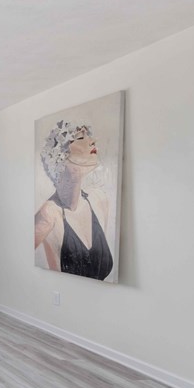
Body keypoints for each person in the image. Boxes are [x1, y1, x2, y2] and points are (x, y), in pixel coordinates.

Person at [34, 120, 114, 280]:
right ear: (60, 157)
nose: (92, 141)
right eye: (79, 138)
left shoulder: (99, 200)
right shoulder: (49, 214)